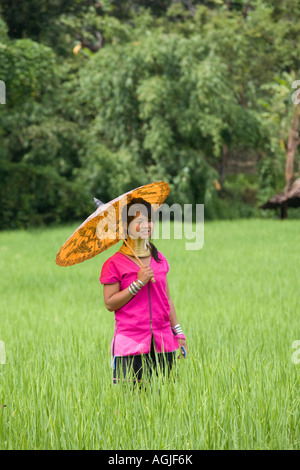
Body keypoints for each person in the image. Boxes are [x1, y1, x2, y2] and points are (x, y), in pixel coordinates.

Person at [99, 197, 188, 386]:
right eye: (139, 222)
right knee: (133, 406)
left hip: (163, 342)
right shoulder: (113, 264)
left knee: (166, 404)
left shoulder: (159, 258)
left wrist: (178, 334)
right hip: (130, 343)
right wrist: (137, 283)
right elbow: (109, 303)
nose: (147, 225)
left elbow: (167, 299)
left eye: (149, 220)